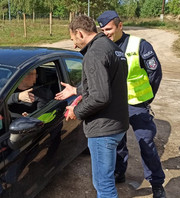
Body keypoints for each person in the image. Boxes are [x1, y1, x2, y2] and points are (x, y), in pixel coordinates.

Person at [55, 15, 129, 198]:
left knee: (104, 186)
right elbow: (107, 82)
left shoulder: (94, 54)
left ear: (79, 33)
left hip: (103, 129)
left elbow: (100, 97)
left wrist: (76, 111)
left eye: (73, 39)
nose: (73, 45)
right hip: (118, 122)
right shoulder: (113, 48)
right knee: (106, 179)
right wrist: (77, 89)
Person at [97, 10, 165, 198]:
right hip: (114, 104)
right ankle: (119, 173)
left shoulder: (140, 45)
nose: (106, 33)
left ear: (120, 26)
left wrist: (146, 99)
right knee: (117, 142)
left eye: (109, 29)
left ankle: (157, 183)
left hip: (137, 104)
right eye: (102, 30)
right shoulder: (103, 45)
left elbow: (155, 74)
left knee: (146, 143)